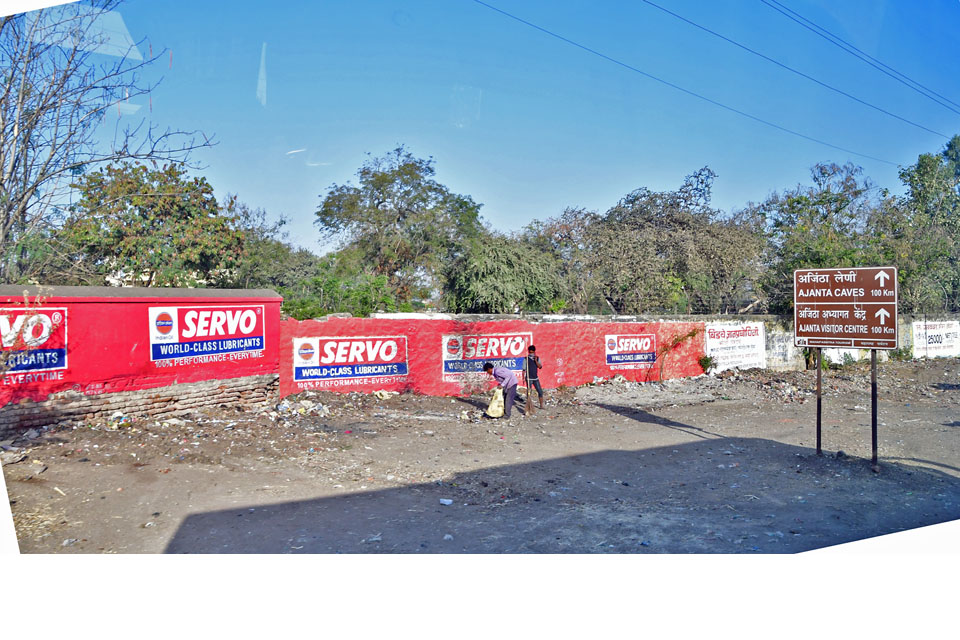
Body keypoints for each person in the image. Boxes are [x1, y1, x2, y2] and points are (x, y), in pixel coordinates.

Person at [525, 345, 544, 409]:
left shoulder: (537, 358)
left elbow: (540, 367)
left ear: (534, 352)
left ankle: (541, 405)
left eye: (532, 352)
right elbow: (524, 369)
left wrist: (535, 361)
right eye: (530, 352)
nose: (531, 354)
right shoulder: (526, 359)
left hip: (535, 378)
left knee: (540, 391)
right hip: (529, 378)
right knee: (529, 392)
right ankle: (529, 405)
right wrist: (523, 377)